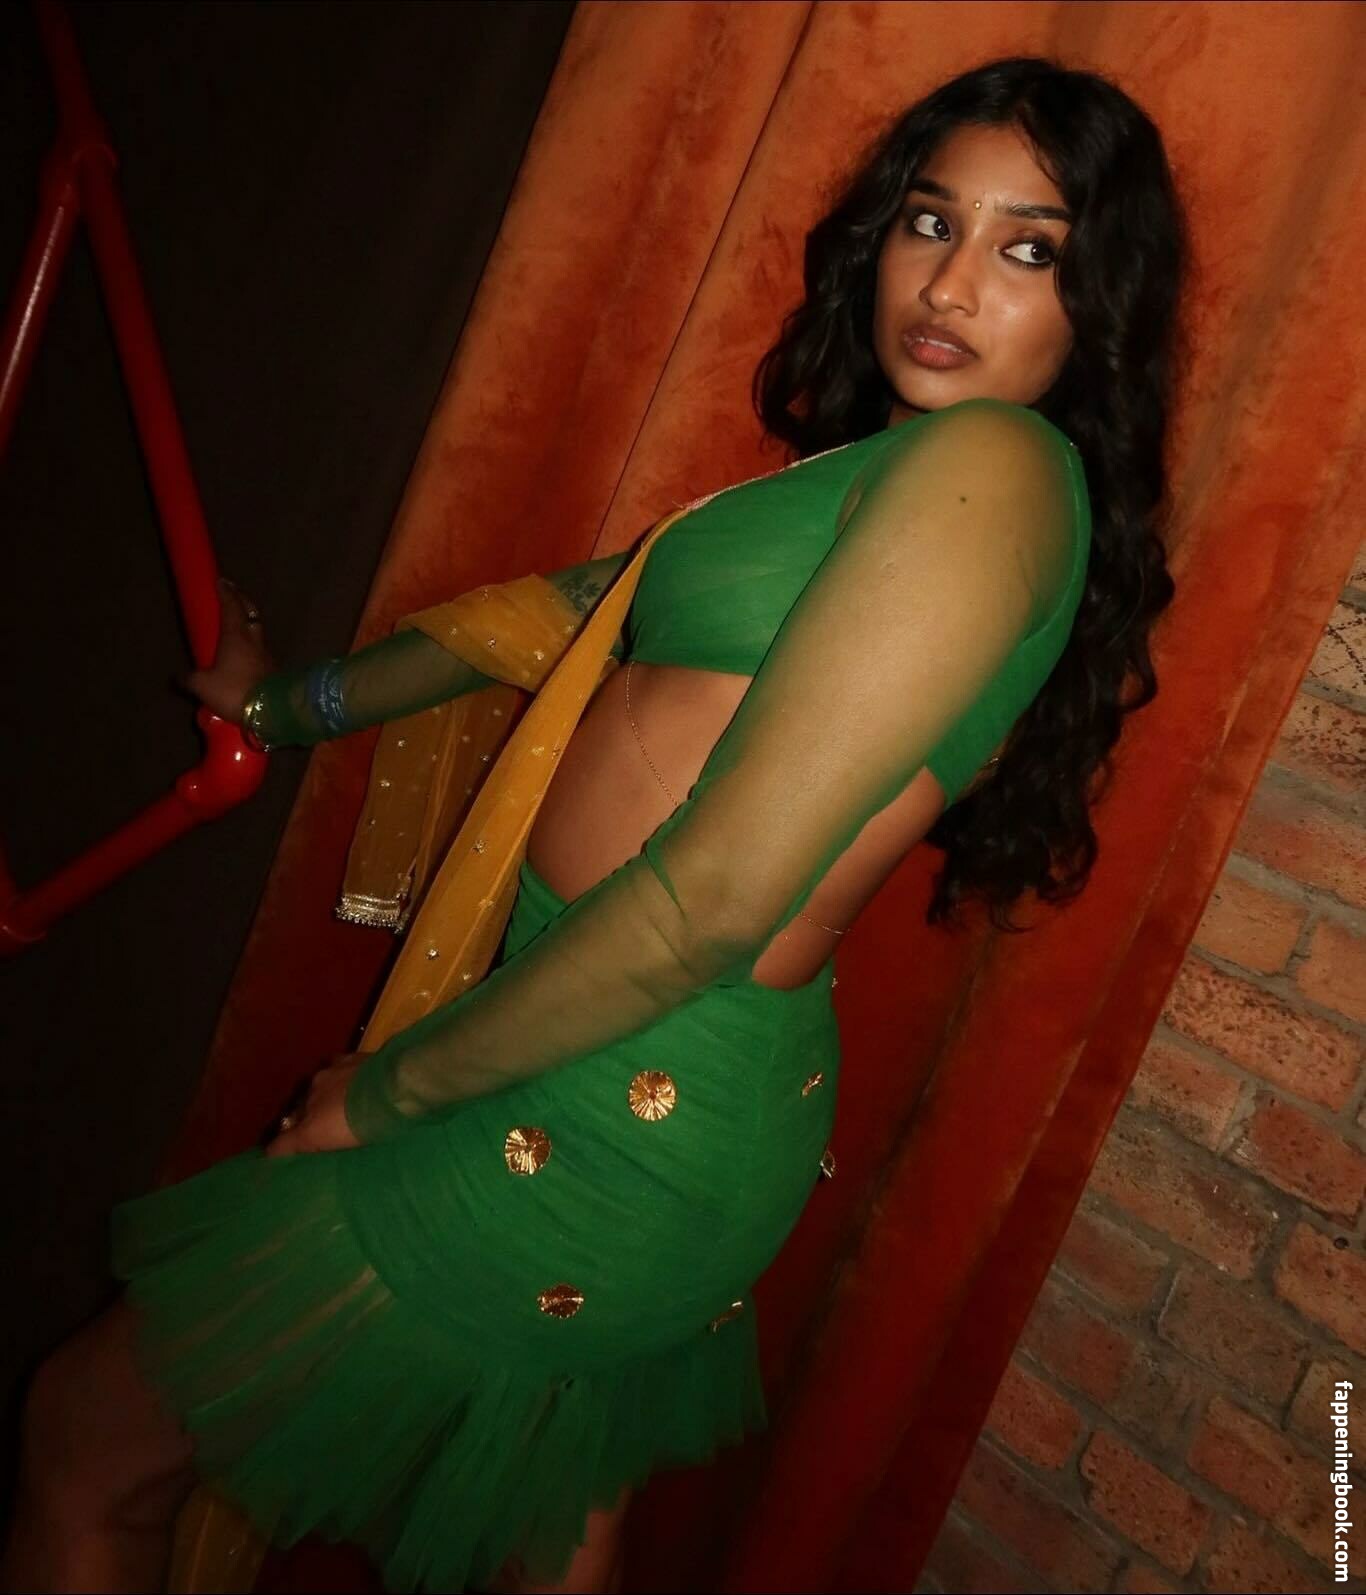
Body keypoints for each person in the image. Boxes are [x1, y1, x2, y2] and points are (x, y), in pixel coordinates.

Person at [1, 54, 1185, 1595]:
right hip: (619, 1056)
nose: (950, 281)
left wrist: (391, 1091)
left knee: (84, 1451)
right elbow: (560, 615)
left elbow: (714, 898)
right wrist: (285, 705)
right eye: (927, 220)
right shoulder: (877, 474)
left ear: (1098, 302)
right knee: (539, 1543)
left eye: (1026, 249)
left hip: (626, 1084)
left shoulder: (991, 465)